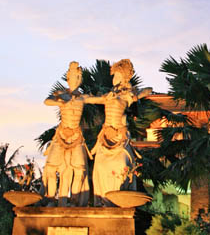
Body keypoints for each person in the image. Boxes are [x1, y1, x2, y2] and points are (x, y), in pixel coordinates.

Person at [85, 59, 151, 206]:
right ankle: (101, 200)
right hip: (105, 136)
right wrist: (82, 98)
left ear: (123, 78)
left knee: (121, 162)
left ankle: (118, 198)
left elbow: (149, 90)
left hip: (120, 136)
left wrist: (134, 95)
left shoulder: (127, 95)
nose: (113, 79)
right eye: (113, 76)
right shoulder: (108, 95)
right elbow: (91, 100)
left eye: (116, 76)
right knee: (99, 165)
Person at [43, 62, 90, 206]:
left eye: (77, 77)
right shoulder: (61, 95)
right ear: (68, 78)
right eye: (72, 77)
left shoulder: (83, 98)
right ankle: (51, 198)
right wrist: (60, 102)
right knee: (50, 168)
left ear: (80, 80)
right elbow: (47, 101)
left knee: (79, 171)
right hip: (61, 136)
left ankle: (74, 201)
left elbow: (101, 100)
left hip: (76, 137)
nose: (74, 80)